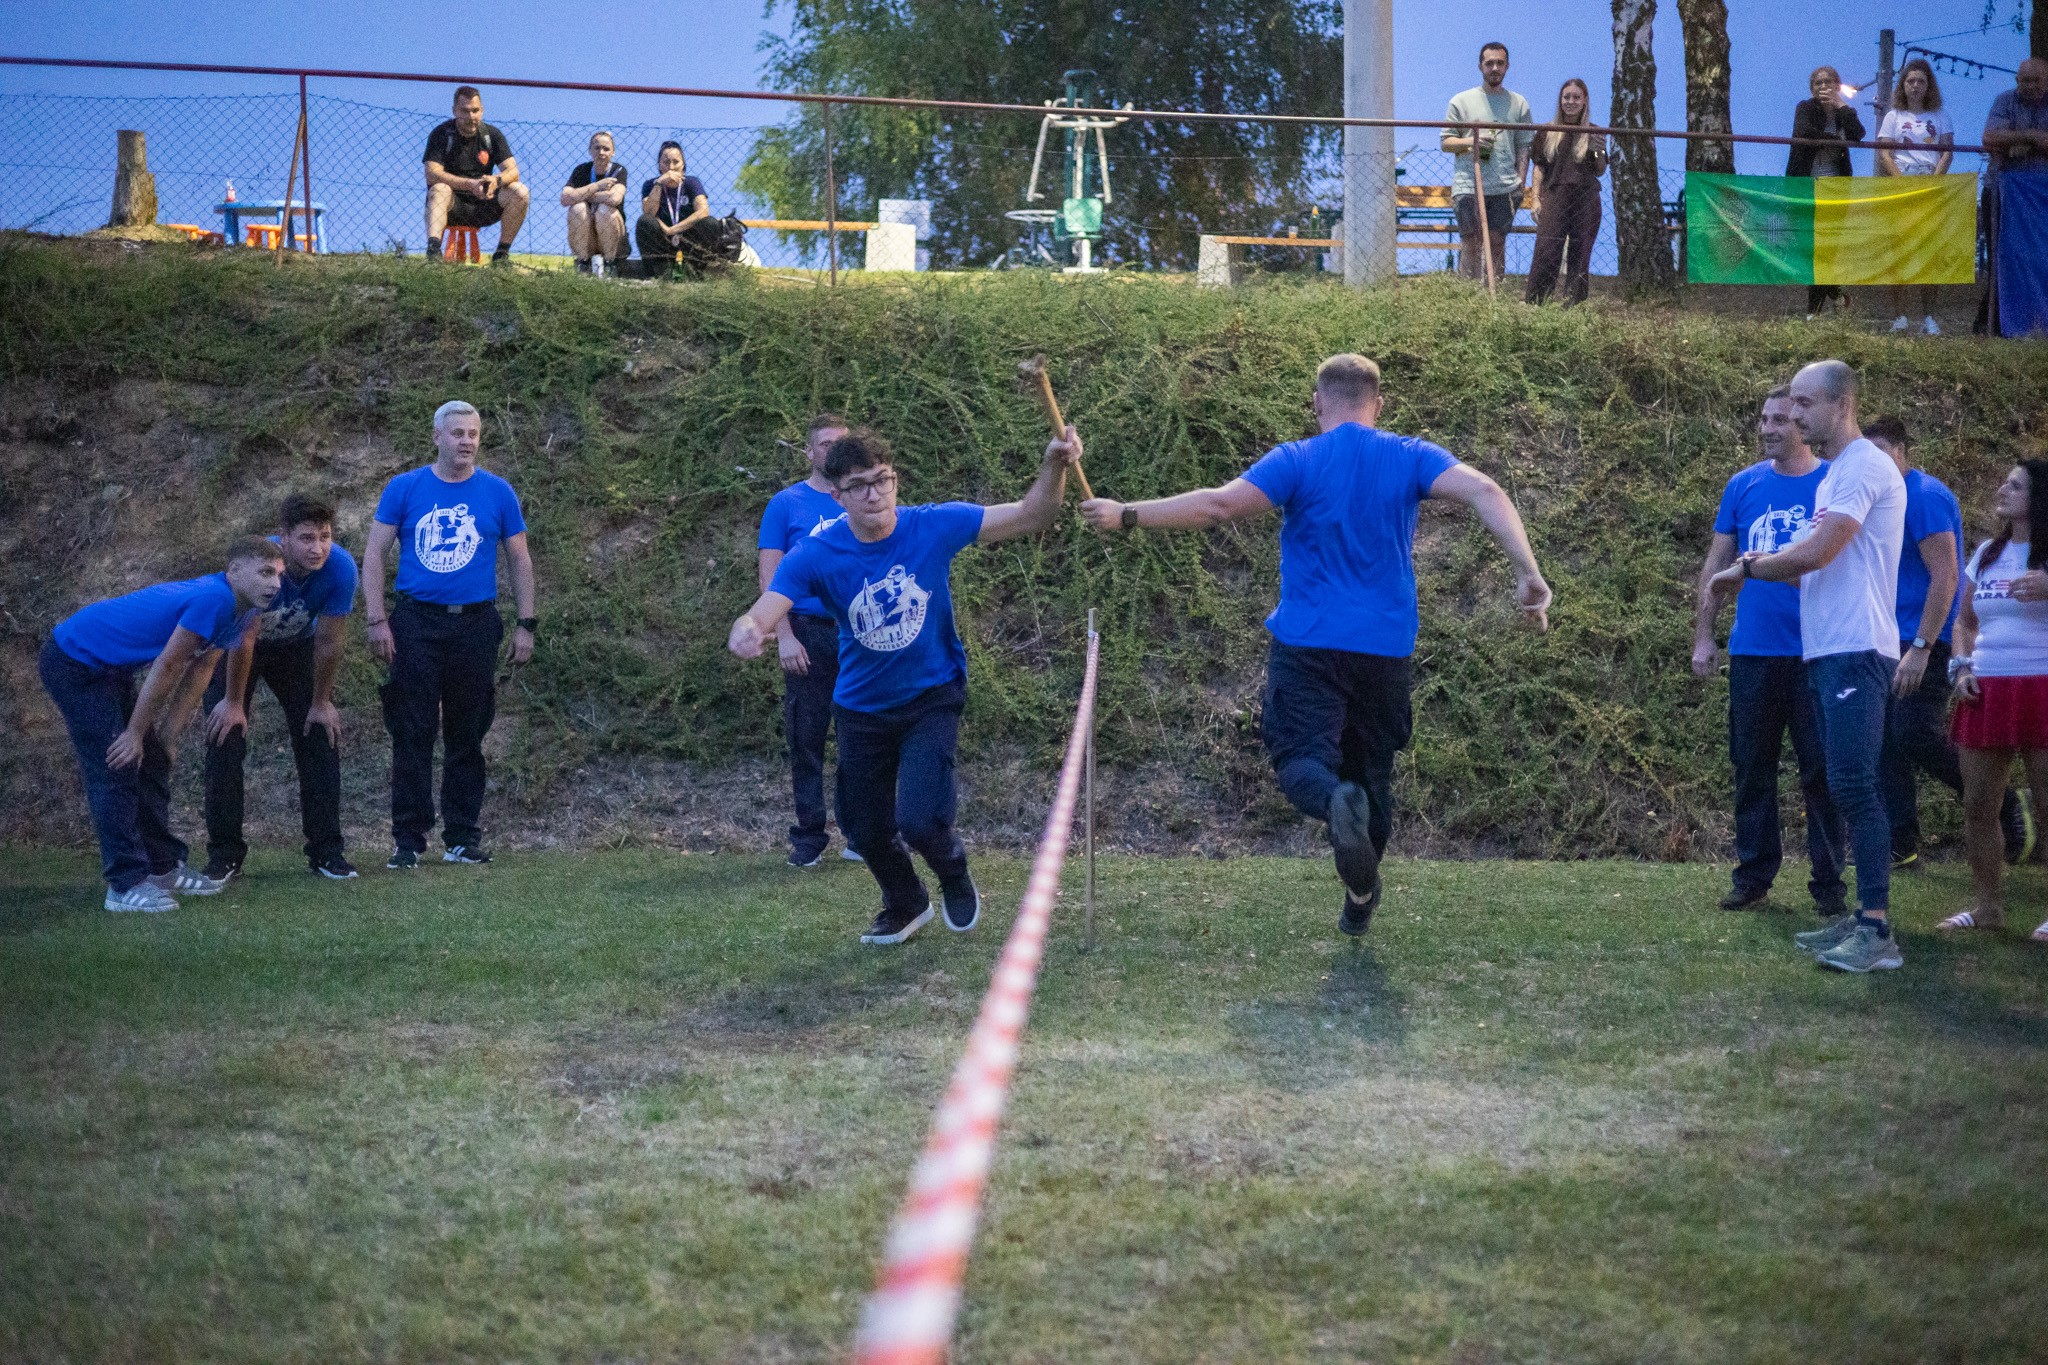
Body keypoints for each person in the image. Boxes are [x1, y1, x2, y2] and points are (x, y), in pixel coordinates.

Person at [1079, 354, 1552, 937]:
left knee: (1302, 760)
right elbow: (1484, 489)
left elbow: (1218, 505)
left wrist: (1125, 514)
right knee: (1373, 775)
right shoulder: (1409, 456)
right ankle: (1359, 892)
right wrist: (1526, 570)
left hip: (1309, 643)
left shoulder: (1298, 459)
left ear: (1317, 402)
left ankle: (1333, 804)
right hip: (1385, 649)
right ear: (1378, 406)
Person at [728, 425, 1082, 945]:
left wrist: (1054, 465)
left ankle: (954, 872)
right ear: (838, 494)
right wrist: (747, 632)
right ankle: (906, 903)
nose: (874, 493)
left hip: (930, 697)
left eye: (883, 480)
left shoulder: (932, 526)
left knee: (918, 818)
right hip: (860, 707)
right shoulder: (818, 553)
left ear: (895, 481)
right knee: (866, 829)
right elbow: (763, 611)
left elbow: (1034, 515)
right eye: (859, 485)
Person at [1710, 360, 1906, 973]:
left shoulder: (1864, 466)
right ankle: (1860, 919)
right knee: (1841, 781)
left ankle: (1876, 931)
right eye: (1789, 406)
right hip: (1828, 648)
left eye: (1802, 405)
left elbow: (1820, 551)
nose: (1792, 417)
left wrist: (1745, 569)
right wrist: (1756, 561)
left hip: (1856, 646)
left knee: (1851, 785)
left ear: (1839, 405)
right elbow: (1807, 550)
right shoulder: (1834, 478)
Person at [39, 539, 283, 911]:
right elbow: (168, 666)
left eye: (279, 575)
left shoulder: (241, 612)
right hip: (74, 661)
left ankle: (162, 868)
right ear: (234, 572)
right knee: (117, 764)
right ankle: (124, 885)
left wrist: (165, 737)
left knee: (150, 761)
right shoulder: (214, 599)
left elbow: (201, 669)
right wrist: (135, 733)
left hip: (110, 669)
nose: (275, 584)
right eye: (266, 572)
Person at [363, 400, 538, 869]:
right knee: (412, 729)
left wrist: (526, 623)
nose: (466, 441)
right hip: (416, 622)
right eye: (457, 433)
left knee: (468, 732)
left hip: (476, 624)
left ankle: (461, 836)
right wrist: (377, 619)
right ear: (437, 437)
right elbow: (375, 553)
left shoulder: (498, 492)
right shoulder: (405, 488)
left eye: (473, 434)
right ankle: (408, 840)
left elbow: (519, 560)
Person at [1692, 387, 1846, 915]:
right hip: (1754, 652)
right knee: (1752, 766)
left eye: (1780, 419)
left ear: (1803, 423)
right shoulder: (1743, 486)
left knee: (1822, 771)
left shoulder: (1833, 482)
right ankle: (1754, 876)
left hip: (1818, 651)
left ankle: (1830, 887)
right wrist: (1704, 636)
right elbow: (1715, 568)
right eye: (1763, 419)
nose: (1768, 428)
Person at [1863, 416, 2031, 871]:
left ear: (1901, 450)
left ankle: (2002, 801)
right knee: (1884, 741)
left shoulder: (1924, 496)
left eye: (1882, 450)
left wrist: (1923, 645)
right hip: (1883, 634)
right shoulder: (1879, 497)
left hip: (1929, 636)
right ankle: (1902, 844)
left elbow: (1947, 576)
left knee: (1912, 731)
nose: (1873, 460)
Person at [201, 493, 361, 883]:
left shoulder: (339, 568)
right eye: (306, 538)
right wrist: (234, 703)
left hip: (295, 649)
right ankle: (225, 855)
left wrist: (321, 701)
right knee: (225, 734)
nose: (318, 547)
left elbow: (329, 642)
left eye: (324, 536)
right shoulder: (264, 565)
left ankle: (327, 851)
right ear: (283, 537)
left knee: (319, 734)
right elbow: (245, 638)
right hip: (238, 648)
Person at [1938, 460, 2048, 941]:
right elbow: (1964, 622)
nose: (2002, 489)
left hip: (2042, 683)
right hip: (1987, 687)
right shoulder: (1986, 552)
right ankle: (1988, 908)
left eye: (2016, 484)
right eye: (2004, 480)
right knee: (1979, 804)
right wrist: (1959, 666)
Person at [758, 413, 858, 868]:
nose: (832, 450)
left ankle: (862, 832)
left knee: (863, 735)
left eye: (841, 442)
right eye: (824, 443)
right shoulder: (786, 504)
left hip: (861, 631)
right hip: (806, 633)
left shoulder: (861, 496)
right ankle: (810, 837)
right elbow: (770, 572)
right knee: (807, 738)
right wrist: (782, 635)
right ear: (809, 452)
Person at [1440, 42, 1533, 286]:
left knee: (1496, 242)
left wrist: (1520, 182)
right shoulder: (1461, 101)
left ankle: (1494, 296)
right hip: (1469, 184)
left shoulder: (1518, 104)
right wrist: (1471, 141)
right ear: (1480, 66)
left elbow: (1525, 145)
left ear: (1507, 66)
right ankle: (1468, 300)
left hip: (1504, 187)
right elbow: (1446, 142)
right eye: (1489, 63)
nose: (1494, 68)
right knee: (1471, 243)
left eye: (1499, 63)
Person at [1874, 59, 1954, 334]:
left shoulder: (1941, 114)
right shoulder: (1893, 116)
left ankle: (1929, 317)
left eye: (1921, 81)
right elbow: (1884, 152)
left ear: (1929, 85)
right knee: (1899, 251)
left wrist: (1934, 181)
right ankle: (1900, 316)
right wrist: (1900, 183)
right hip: (1901, 183)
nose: (1916, 86)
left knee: (1930, 252)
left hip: (1931, 184)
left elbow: (1946, 151)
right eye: (1910, 81)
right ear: (1903, 85)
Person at [1787, 66, 1865, 319]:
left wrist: (1842, 106)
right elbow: (1803, 132)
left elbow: (1859, 134)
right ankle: (1834, 292)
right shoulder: (1805, 108)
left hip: (1836, 186)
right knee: (1809, 248)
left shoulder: (1844, 113)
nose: (1823, 87)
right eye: (1818, 83)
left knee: (1827, 248)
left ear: (1836, 85)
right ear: (1812, 88)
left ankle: (1813, 312)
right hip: (1807, 185)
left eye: (1828, 82)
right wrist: (1835, 141)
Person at [1977, 58, 2048, 335]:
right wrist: (2032, 138)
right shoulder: (2005, 101)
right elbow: (1990, 137)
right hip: (2002, 192)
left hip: (2041, 196)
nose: (2028, 86)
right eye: (2023, 80)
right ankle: (1993, 324)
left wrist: (2016, 141)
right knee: (2004, 258)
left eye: (2035, 80)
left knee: (2040, 257)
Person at [1523, 77, 1607, 307]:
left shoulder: (1595, 132)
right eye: (1566, 97)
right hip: (1554, 195)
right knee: (1547, 249)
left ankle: (1573, 305)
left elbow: (1600, 171)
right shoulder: (1547, 132)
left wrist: (1598, 152)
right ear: (1560, 100)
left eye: (1576, 97)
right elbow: (1539, 167)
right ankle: (1537, 303)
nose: (1571, 102)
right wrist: (1535, 198)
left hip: (1586, 198)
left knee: (1580, 252)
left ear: (1584, 101)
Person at [423, 87, 529, 266]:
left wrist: (496, 181)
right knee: (439, 189)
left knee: (520, 191)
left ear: (482, 110)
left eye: (475, 110)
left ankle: (501, 256)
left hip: (483, 206)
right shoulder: (441, 134)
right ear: (454, 111)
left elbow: (513, 171)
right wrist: (469, 184)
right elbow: (432, 174)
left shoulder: (492, 135)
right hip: (452, 207)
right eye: (464, 111)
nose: (471, 116)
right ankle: (433, 254)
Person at [637, 142, 723, 278]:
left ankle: (696, 271)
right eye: (666, 162)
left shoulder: (691, 182)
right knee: (645, 221)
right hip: (662, 241)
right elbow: (649, 213)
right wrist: (659, 184)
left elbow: (703, 211)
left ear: (683, 165)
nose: (671, 167)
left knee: (710, 223)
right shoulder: (650, 184)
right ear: (659, 165)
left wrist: (673, 230)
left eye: (675, 162)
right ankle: (655, 273)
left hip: (687, 239)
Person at [562, 130, 629, 275]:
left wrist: (581, 194)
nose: (601, 152)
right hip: (588, 237)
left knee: (605, 210)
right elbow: (565, 198)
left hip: (612, 238)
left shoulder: (619, 170)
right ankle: (583, 263)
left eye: (606, 149)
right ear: (590, 150)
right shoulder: (581, 170)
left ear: (613, 152)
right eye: (597, 148)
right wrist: (597, 186)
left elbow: (615, 198)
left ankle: (610, 264)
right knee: (577, 209)